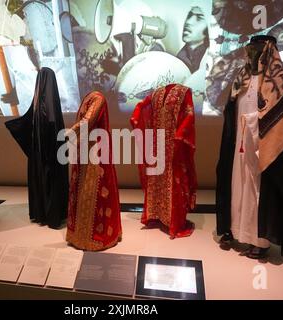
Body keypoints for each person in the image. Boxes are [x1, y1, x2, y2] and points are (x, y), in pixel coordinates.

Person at [216, 36, 283, 259]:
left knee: (256, 190)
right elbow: (232, 108)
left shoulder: (277, 80)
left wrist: (253, 123)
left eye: (258, 49)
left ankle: (260, 241)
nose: (253, 53)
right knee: (236, 185)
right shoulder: (242, 77)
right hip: (239, 144)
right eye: (251, 48)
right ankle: (235, 230)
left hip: (262, 148)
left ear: (268, 51)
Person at [131, 84, 197, 239]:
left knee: (174, 181)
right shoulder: (157, 93)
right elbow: (142, 105)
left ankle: (174, 221)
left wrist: (179, 136)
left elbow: (189, 115)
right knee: (156, 180)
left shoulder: (184, 91)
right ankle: (157, 215)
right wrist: (136, 116)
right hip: (157, 144)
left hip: (174, 145)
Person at [6, 68, 69, 229]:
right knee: (52, 179)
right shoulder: (49, 106)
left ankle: (41, 213)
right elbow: (53, 129)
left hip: (39, 155)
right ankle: (54, 214)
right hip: (52, 153)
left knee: (42, 178)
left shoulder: (36, 107)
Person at [66, 91, 122, 251]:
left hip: (95, 154)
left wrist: (69, 133)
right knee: (81, 191)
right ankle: (79, 235)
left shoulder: (98, 98)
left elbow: (88, 121)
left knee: (94, 193)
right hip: (84, 152)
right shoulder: (88, 98)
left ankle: (96, 238)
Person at [176, 6, 209, 74]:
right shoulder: (179, 57)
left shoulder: (210, 59)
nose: (188, 22)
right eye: (189, 15)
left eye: (199, 18)